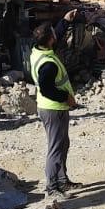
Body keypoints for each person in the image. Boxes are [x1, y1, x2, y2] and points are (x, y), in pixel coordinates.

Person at [29, 19, 79, 196]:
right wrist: (66, 97)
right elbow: (47, 89)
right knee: (56, 148)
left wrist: (65, 21)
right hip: (53, 108)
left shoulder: (39, 51)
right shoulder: (48, 64)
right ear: (50, 39)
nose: (55, 34)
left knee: (63, 144)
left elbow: (54, 35)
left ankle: (62, 181)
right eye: (53, 33)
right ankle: (52, 186)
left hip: (54, 108)